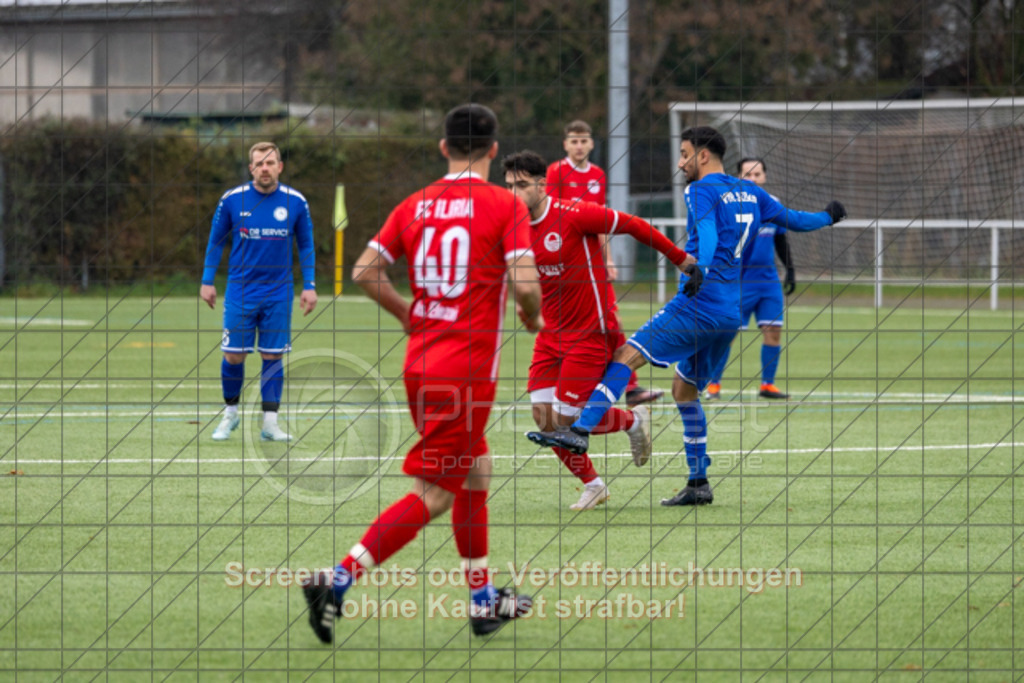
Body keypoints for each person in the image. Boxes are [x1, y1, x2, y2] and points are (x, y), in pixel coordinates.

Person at [302, 104, 542, 643]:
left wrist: (411, 314)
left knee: (476, 471)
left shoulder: (417, 203)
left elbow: (365, 270)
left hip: (422, 362)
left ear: (443, 148)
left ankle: (483, 603)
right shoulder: (504, 205)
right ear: (494, 149)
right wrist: (532, 314)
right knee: (435, 494)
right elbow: (525, 285)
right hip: (466, 371)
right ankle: (335, 581)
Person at [528, 126, 845, 506]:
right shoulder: (753, 192)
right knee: (685, 392)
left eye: (684, 154)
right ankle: (698, 483)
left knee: (625, 356)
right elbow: (796, 219)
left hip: (699, 302)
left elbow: (707, 235)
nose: (680, 163)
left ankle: (579, 429)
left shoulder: (700, 190)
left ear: (704, 156)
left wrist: (701, 269)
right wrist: (829, 216)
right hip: (730, 312)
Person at [504, 151, 698, 510]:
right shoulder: (512, 226)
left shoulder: (575, 214)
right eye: (509, 187)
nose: (514, 194)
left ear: (541, 184)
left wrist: (680, 258)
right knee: (544, 419)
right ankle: (594, 485)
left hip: (592, 331)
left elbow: (634, 225)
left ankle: (630, 419)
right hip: (550, 334)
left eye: (521, 186)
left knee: (566, 421)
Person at [201, 141, 317, 443]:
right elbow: (216, 242)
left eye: (270, 162)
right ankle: (230, 415)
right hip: (241, 291)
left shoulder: (296, 201)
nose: (265, 168)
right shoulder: (232, 200)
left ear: (280, 166)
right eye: (259, 163)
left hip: (279, 292)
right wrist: (207, 280)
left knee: (272, 355)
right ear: (251, 168)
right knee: (233, 355)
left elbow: (305, 245)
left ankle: (270, 423)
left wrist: (310, 285)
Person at [545, 119, 663, 408]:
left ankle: (629, 387)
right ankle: (566, 387)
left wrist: (607, 258)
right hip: (564, 261)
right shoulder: (555, 172)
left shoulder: (597, 175)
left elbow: (598, 221)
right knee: (564, 324)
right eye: (573, 141)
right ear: (565, 144)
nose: (579, 146)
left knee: (611, 322)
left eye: (583, 140)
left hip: (591, 262)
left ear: (591, 143)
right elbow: (550, 216)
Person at [705, 158, 797, 401]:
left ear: (764, 177)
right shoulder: (728, 204)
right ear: (738, 177)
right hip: (738, 281)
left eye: (757, 174)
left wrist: (790, 269)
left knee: (773, 331)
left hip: (767, 281)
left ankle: (768, 385)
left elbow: (780, 239)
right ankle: (713, 385)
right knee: (727, 333)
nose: (753, 179)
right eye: (748, 174)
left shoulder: (773, 205)